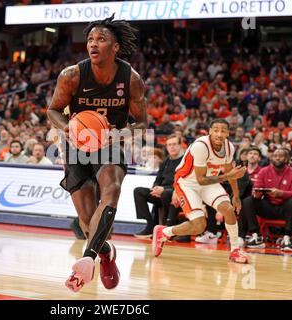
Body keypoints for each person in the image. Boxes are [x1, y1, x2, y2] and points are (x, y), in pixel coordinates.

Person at [47, 14, 147, 292]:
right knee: (87, 219)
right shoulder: (72, 75)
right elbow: (52, 109)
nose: (93, 44)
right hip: (77, 145)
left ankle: (88, 258)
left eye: (101, 39)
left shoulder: (131, 78)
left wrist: (121, 134)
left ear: (115, 47)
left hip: (110, 142)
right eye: (90, 39)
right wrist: (67, 128)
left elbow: (142, 122)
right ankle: (105, 253)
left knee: (111, 190)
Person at [152, 119, 249, 263]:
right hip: (187, 183)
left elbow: (229, 171)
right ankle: (164, 232)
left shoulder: (229, 147)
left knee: (228, 209)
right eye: (216, 130)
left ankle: (235, 251)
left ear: (228, 133)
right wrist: (228, 176)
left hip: (209, 181)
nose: (219, 134)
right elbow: (202, 179)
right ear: (210, 131)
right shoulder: (201, 146)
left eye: (223, 131)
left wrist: (236, 195)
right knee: (199, 225)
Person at [240, 148, 292, 249]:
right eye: (275, 156)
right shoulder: (264, 171)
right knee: (248, 201)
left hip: (284, 208)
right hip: (267, 206)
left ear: (286, 159)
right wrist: (257, 194)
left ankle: (287, 238)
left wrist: (281, 193)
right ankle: (256, 236)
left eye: (281, 156)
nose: (277, 158)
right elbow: (256, 188)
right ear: (271, 158)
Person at [133, 134, 184, 238]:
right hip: (161, 193)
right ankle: (150, 225)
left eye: (174, 144)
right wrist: (155, 188)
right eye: (169, 145)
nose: (172, 147)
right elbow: (158, 179)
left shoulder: (184, 161)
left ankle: (167, 227)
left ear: (180, 146)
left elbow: (183, 183)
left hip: (175, 193)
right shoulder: (166, 161)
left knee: (166, 193)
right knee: (138, 191)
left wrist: (163, 189)